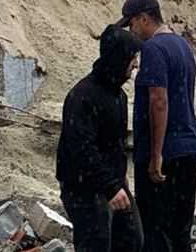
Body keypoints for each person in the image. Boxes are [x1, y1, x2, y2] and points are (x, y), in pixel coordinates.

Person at [116, 0, 196, 252]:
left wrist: (155, 156)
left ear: (143, 19)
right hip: (188, 149)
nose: (131, 31)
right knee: (180, 230)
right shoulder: (183, 46)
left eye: (131, 24)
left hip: (165, 154)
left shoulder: (152, 48)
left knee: (155, 231)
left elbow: (159, 101)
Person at [56, 25, 143, 252]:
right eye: (132, 57)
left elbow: (116, 146)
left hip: (112, 183)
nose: (136, 64)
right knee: (95, 245)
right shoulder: (82, 97)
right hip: (83, 189)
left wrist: (118, 183)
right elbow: (82, 149)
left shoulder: (119, 96)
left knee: (132, 241)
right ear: (118, 58)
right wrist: (110, 187)